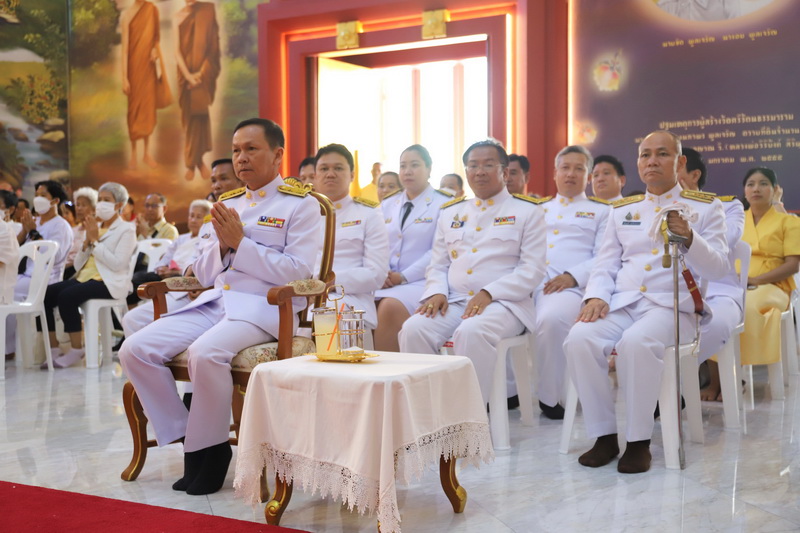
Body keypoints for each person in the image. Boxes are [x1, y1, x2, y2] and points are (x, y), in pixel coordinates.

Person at [119, 118, 321, 496]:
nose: (241, 158)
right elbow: (206, 274)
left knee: (205, 353)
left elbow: (298, 273)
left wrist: (241, 245)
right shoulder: (228, 204)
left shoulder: (301, 205)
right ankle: (192, 440)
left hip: (265, 309)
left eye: (251, 149)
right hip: (218, 302)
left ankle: (206, 455)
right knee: (135, 349)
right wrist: (224, 246)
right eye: (236, 150)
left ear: (277, 154)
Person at [563, 130, 729, 474]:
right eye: (645, 155)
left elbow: (719, 266)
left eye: (662, 154)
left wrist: (690, 237)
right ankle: (604, 435)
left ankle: (638, 442)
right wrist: (595, 296)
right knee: (578, 338)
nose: (652, 161)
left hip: (674, 307)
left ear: (680, 162)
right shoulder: (622, 210)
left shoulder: (706, 207)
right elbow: (606, 263)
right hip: (624, 304)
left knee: (635, 343)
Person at [399, 139, 546, 402]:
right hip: (455, 302)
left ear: (504, 171)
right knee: (413, 329)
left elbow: (532, 270)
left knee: (472, 332)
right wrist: (436, 292)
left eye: (488, 165)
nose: (479, 171)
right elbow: (438, 264)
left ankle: (470, 420)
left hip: (505, 305)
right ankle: (427, 414)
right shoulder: (451, 212)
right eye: (473, 166)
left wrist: (490, 293)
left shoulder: (527, 211)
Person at [534, 146, 610, 419]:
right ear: (555, 173)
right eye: (565, 168)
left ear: (588, 176)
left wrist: (572, 276)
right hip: (528, 282)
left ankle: (551, 397)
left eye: (579, 168)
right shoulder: (537, 209)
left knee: (552, 319)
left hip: (570, 286)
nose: (571, 174)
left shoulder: (602, 211)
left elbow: (605, 256)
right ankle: (506, 392)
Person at [42, 182, 137, 368]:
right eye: (100, 199)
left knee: (67, 296)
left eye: (107, 200)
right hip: (84, 277)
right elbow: (78, 264)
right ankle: (54, 347)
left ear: (118, 205)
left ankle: (77, 350)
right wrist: (86, 244)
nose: (101, 203)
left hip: (108, 281)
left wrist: (94, 241)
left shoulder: (127, 230)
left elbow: (117, 264)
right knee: (46, 294)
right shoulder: (95, 225)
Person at [675, 148, 745, 401]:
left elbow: (727, 239)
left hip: (719, 288)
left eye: (676, 166)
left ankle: (673, 381)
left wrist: (690, 219)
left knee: (714, 326)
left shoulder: (727, 204)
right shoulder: (656, 206)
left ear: (694, 174)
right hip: (673, 290)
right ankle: (675, 384)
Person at [373, 144, 451, 351]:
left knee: (389, 306)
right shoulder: (388, 204)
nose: (407, 171)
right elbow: (378, 243)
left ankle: (391, 374)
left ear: (429, 169)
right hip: (387, 280)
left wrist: (403, 277)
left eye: (414, 165)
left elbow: (438, 250)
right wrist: (382, 272)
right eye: (403, 166)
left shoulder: (445, 204)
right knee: (357, 304)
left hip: (423, 281)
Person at [312, 144, 389, 332]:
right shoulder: (302, 214)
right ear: (315, 175)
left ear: (352, 175)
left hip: (348, 298)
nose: (330, 174)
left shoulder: (369, 214)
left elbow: (376, 274)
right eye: (324, 169)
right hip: (301, 297)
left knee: (328, 317)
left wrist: (330, 282)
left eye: (338, 168)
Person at [738, 167, 800, 372]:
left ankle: (744, 369)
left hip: (774, 286)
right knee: (715, 307)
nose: (756, 188)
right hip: (738, 282)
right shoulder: (735, 221)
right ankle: (719, 377)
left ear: (774, 190)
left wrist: (757, 281)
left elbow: (793, 264)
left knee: (747, 305)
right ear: (745, 191)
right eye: (751, 184)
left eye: (763, 183)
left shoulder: (788, 221)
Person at [122, 199, 212, 337]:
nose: (193, 220)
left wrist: (175, 272)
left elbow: (199, 266)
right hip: (165, 280)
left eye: (198, 217)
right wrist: (161, 268)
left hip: (185, 285)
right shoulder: (181, 239)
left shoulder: (209, 240)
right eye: (191, 215)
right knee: (131, 317)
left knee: (133, 316)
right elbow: (164, 258)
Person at [6, 181, 73, 359]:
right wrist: (25, 231)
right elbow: (15, 248)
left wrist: (34, 232)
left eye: (43, 195)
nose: (37, 198)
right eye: (36, 194)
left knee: (6, 292)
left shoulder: (61, 225)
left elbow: (55, 256)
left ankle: (8, 349)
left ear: (55, 201)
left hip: (47, 279)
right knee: (5, 294)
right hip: (25, 276)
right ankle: (7, 347)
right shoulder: (33, 221)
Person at [121, 0, 170, 170]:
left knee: (148, 110)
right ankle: (134, 154)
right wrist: (124, 77)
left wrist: (155, 50)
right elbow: (125, 49)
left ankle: (146, 153)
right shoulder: (127, 15)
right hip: (133, 71)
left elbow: (156, 38)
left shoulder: (152, 9)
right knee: (134, 111)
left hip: (148, 69)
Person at [175, 0, 220, 181]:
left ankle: (196, 162)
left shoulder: (207, 10)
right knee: (189, 120)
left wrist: (200, 75)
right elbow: (177, 53)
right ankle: (194, 161)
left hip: (203, 75)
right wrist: (188, 77)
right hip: (184, 77)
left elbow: (213, 46)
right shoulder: (178, 16)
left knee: (200, 116)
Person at [64, 187, 98, 279]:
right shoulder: (73, 230)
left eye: (83, 205)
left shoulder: (95, 230)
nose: (79, 208)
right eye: (77, 205)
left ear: (94, 209)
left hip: (79, 272)